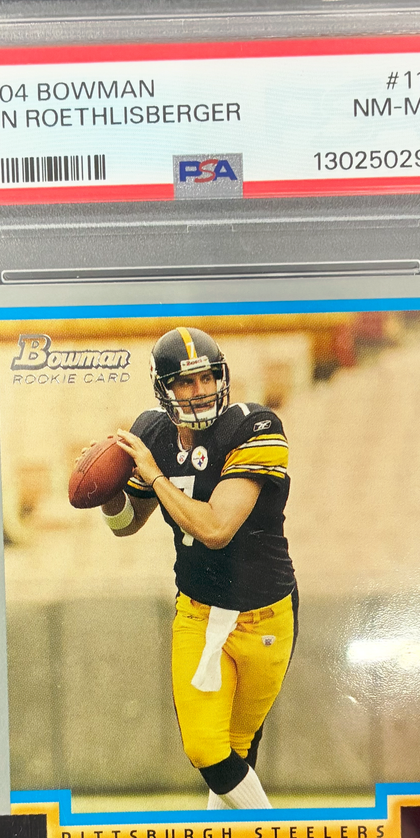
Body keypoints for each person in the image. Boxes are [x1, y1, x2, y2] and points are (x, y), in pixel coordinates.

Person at [103, 326, 298, 810]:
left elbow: (216, 529)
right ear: (163, 389)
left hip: (265, 614)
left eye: (207, 377)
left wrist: (154, 475)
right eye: (186, 382)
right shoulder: (153, 432)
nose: (200, 390)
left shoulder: (255, 426)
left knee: (235, 752)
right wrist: (107, 495)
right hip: (198, 610)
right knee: (206, 750)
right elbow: (126, 524)